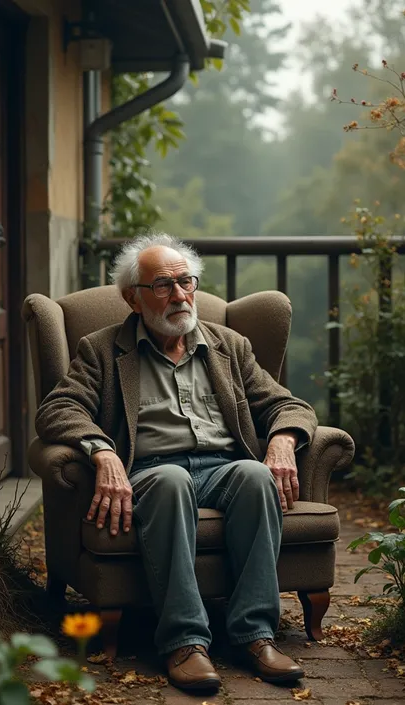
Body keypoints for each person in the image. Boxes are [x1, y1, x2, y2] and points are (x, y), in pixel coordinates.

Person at [35, 233, 318, 693]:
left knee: (254, 475)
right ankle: (185, 642)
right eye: (163, 286)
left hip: (222, 469)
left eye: (186, 282)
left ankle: (255, 635)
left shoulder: (230, 345)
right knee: (170, 481)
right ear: (133, 297)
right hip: (152, 471)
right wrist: (102, 452)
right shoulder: (102, 349)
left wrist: (283, 440)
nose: (181, 295)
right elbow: (57, 409)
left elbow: (287, 404)